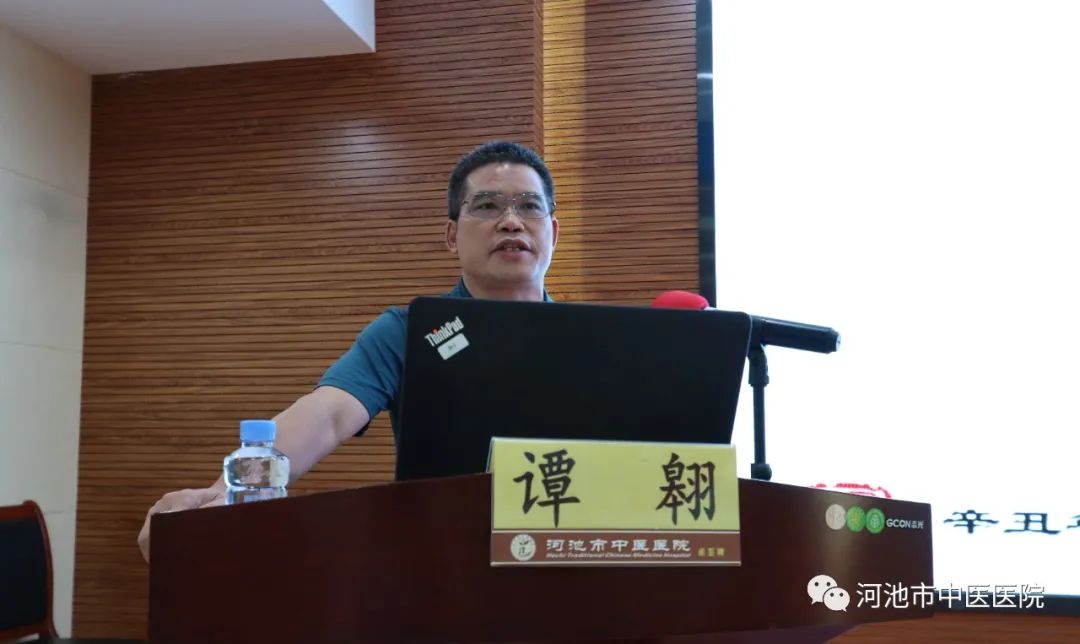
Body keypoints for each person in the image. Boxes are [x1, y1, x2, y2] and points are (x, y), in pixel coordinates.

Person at [137, 141, 560, 562]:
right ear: (452, 235)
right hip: (442, 564)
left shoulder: (594, 339)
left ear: (553, 233)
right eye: (487, 205)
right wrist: (225, 493)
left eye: (529, 206)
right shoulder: (411, 331)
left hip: (570, 556)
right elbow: (327, 415)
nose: (511, 222)